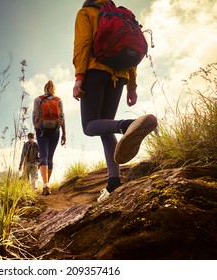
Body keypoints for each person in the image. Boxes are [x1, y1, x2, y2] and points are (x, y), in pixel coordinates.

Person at [73, 0, 157, 203]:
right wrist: (132, 86)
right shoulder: (120, 15)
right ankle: (113, 182)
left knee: (89, 125)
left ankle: (127, 125)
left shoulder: (86, 13)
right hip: (119, 76)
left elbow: (83, 43)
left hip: (95, 71)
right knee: (104, 127)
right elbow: (131, 55)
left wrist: (79, 77)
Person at [33, 80, 66, 196]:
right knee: (50, 157)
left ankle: (45, 184)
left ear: (44, 89)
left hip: (41, 130)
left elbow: (35, 116)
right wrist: (64, 134)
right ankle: (47, 185)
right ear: (53, 89)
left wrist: (37, 127)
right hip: (55, 131)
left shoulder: (38, 99)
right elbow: (62, 117)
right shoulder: (58, 100)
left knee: (43, 155)